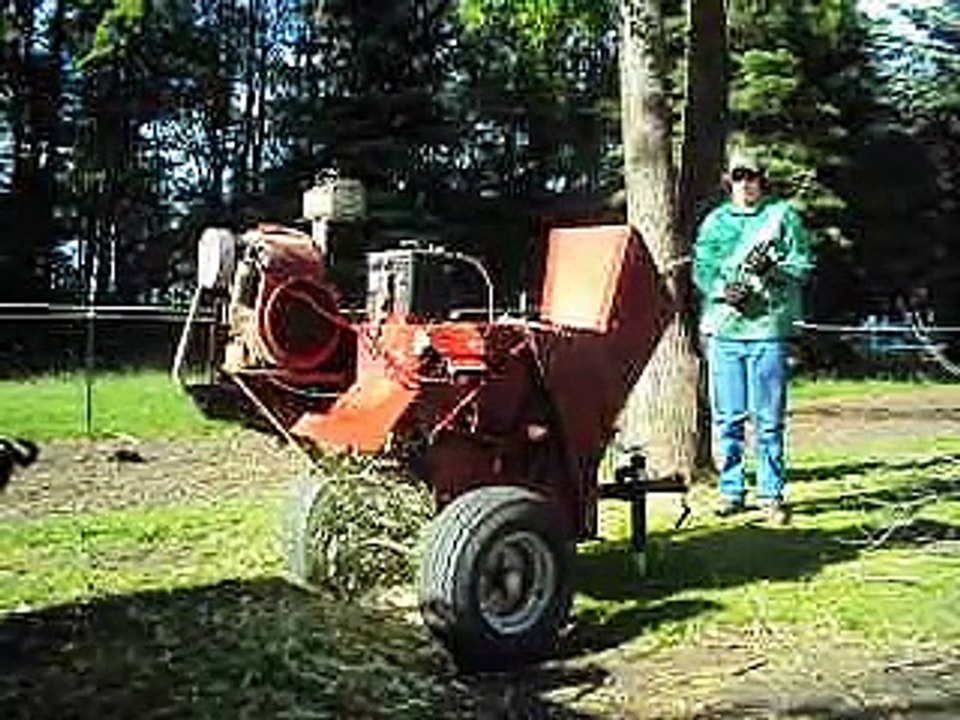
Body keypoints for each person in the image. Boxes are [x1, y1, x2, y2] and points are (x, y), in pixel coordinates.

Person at [693, 148, 815, 524]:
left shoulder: (783, 217)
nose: (746, 183)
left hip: (768, 332)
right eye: (739, 175)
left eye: (753, 176)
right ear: (729, 180)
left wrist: (774, 268)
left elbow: (804, 266)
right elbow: (701, 268)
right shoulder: (715, 222)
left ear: (763, 179)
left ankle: (771, 494)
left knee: (768, 419)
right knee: (728, 418)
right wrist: (720, 290)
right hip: (725, 331)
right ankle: (731, 491)